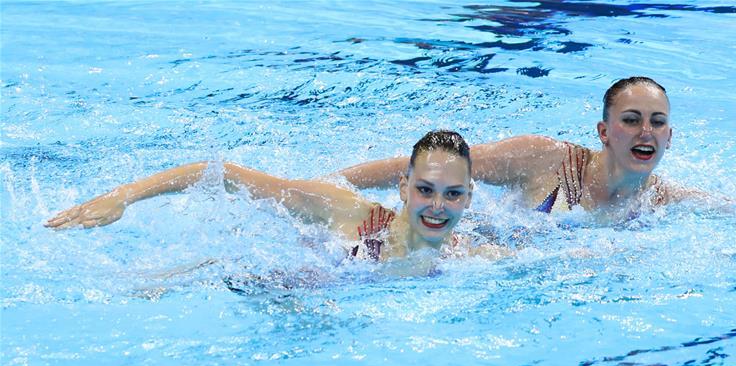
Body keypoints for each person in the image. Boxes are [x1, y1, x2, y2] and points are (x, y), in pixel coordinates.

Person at [45, 130, 495, 263]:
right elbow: (218, 174)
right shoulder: (349, 214)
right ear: (402, 187)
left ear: (470, 198)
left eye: (452, 194)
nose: (437, 207)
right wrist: (123, 197)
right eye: (424, 190)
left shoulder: (463, 256)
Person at [335, 77, 696, 215]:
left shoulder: (661, 201)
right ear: (603, 131)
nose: (645, 131)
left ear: (669, 136)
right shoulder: (545, 157)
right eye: (631, 120)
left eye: (657, 122)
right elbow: (431, 164)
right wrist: (332, 185)